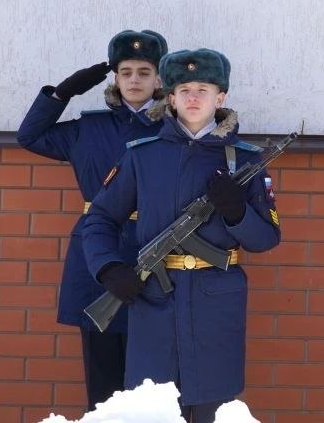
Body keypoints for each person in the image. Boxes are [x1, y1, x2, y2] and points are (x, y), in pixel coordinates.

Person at [82, 48, 280, 422]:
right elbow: (100, 219)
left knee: (212, 410)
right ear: (169, 97)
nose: (193, 97)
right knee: (152, 408)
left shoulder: (244, 159)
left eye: (203, 89)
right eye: (184, 88)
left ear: (220, 97)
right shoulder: (143, 155)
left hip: (216, 306)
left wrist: (238, 212)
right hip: (154, 301)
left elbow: (266, 239)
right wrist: (108, 269)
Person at [16, 29, 168, 410]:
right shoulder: (90, 127)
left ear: (159, 79)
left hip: (157, 249)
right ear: (115, 78)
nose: (135, 79)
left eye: (144, 72)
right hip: (98, 253)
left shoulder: (173, 129)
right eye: (126, 71)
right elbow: (29, 137)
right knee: (102, 379)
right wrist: (62, 93)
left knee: (154, 381)